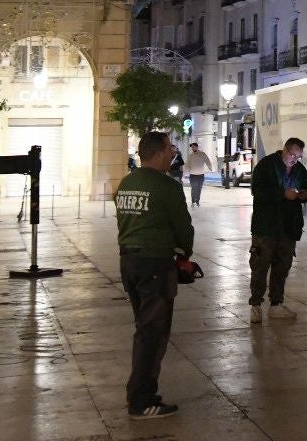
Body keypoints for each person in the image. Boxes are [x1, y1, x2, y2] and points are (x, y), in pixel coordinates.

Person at [113, 131, 194, 419]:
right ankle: (141, 400)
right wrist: (185, 254)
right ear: (158, 153)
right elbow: (183, 227)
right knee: (153, 333)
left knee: (144, 327)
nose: (173, 152)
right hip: (155, 265)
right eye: (170, 148)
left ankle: (141, 393)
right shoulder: (166, 186)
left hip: (129, 262)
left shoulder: (126, 183)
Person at [248, 137, 307, 323]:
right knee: (260, 265)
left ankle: (276, 303)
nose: (294, 159)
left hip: (288, 227)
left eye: (298, 157)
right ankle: (256, 304)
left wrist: (304, 194)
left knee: (282, 266)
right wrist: (282, 194)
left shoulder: (299, 169)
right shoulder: (266, 165)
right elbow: (258, 191)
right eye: (292, 154)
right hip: (266, 227)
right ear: (284, 149)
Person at [184, 142, 215, 207]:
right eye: (192, 147)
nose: (192, 148)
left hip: (201, 175)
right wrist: (185, 173)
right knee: (193, 188)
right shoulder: (190, 156)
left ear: (197, 147)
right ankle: (193, 201)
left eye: (193, 147)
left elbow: (207, 161)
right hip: (193, 175)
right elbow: (187, 165)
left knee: (199, 188)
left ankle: (197, 201)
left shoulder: (202, 154)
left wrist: (210, 168)